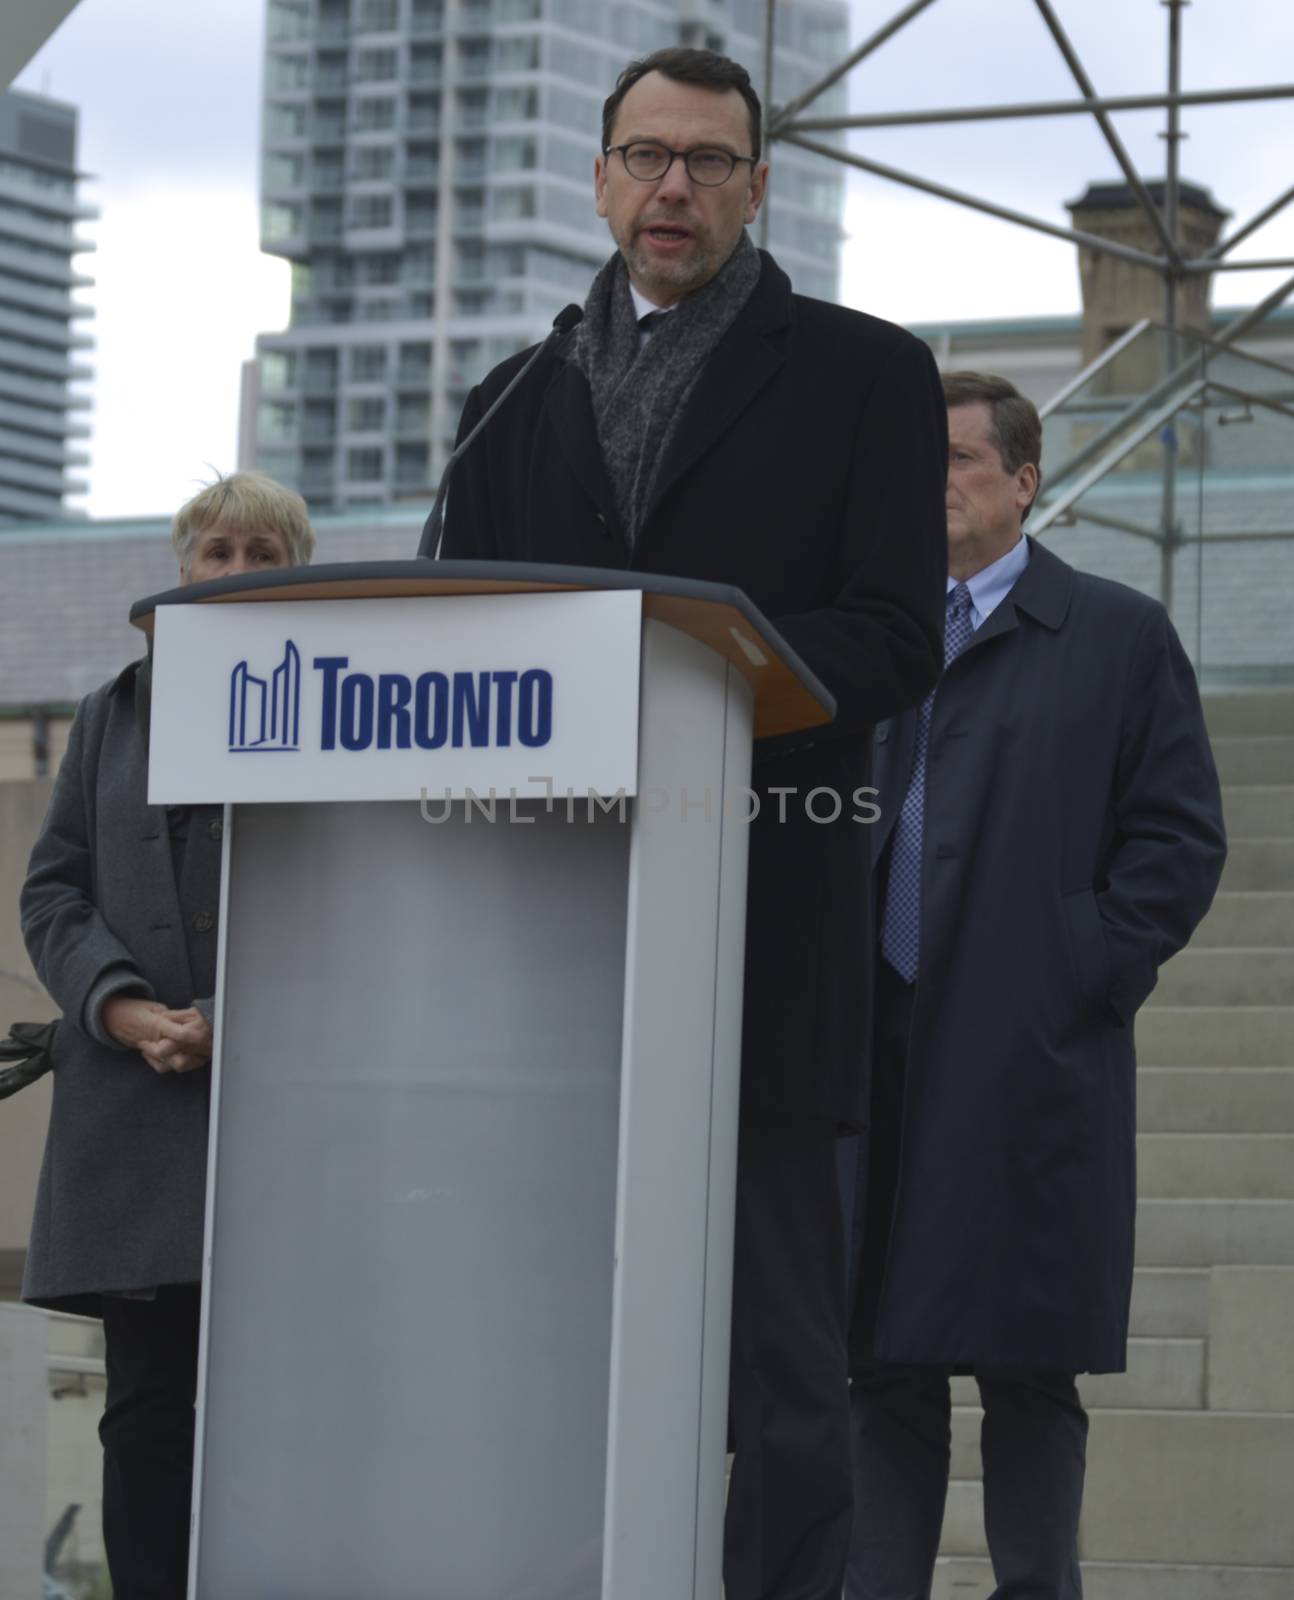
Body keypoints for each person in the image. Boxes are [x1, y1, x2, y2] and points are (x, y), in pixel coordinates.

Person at [434, 45, 948, 1600]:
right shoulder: (508, 395)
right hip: (550, 939)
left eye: (706, 162)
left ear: (755, 186)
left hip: (756, 921)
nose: (672, 189)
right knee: (550, 1337)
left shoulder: (866, 373)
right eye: (644, 157)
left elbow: (894, 635)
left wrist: (706, 681)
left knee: (779, 1357)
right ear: (596, 179)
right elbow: (461, 643)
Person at [845, 373, 1226, 1598]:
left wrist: (1082, 966)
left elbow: (1177, 842)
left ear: (1023, 482)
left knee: (1026, 1365)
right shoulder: (872, 635)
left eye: (960, 458)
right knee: (878, 1364)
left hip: (1025, 1045)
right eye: (921, 462)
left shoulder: (1115, 635)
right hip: (870, 1039)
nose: (936, 482)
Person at [20, 472, 315, 1600]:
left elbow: (363, 900)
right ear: (182, 571)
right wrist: (127, 1008)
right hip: (136, 1113)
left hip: (285, 1116)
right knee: (144, 1415)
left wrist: (238, 1021)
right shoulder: (111, 712)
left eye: (264, 554)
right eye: (218, 553)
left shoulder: (343, 708)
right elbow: (52, 892)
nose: (237, 573)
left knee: (277, 1408)